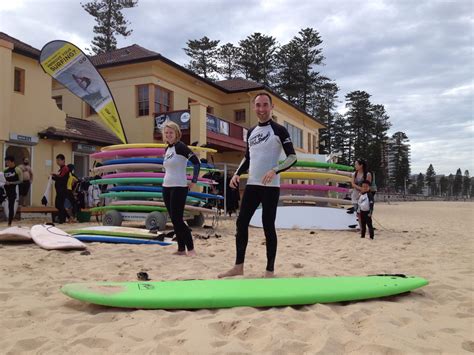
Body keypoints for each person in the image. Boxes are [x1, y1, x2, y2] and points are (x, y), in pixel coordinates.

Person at [218, 93, 297, 278]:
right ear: (254, 107)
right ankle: (238, 266)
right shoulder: (252, 131)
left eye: (265, 105)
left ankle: (269, 270)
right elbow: (248, 157)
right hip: (253, 184)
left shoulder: (279, 130)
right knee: (241, 222)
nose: (261, 109)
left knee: (267, 225)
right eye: (258, 105)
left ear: (272, 107)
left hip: (270, 187)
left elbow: (292, 157)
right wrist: (237, 174)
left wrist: (275, 170)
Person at [162, 121, 200, 257]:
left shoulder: (181, 147)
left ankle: (191, 248)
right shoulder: (167, 149)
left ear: (176, 133)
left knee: (178, 219)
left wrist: (194, 180)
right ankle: (181, 249)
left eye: (171, 132)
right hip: (166, 187)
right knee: (174, 219)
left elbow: (196, 162)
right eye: (166, 133)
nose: (168, 135)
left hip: (179, 187)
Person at [3, 156, 23, 226]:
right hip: (4, 190)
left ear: (12, 162)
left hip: (12, 191)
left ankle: (9, 222)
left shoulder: (17, 170)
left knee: (10, 206)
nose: (6, 163)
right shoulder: (5, 170)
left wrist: (11, 183)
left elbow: (20, 181)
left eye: (8, 162)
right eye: (6, 162)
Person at [51, 154, 69, 224]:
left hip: (62, 190)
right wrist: (53, 177)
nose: (57, 162)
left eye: (59, 160)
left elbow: (61, 178)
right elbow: (59, 178)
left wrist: (54, 176)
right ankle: (64, 218)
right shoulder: (61, 169)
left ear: (63, 160)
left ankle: (63, 219)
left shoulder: (65, 168)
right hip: (59, 190)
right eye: (57, 160)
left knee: (59, 204)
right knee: (58, 204)